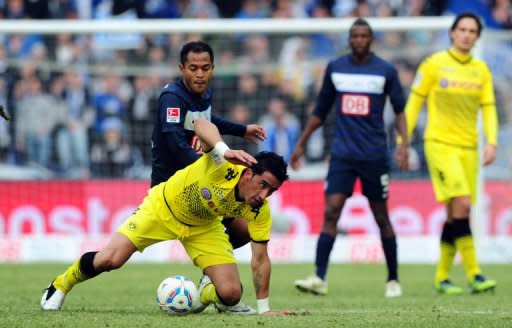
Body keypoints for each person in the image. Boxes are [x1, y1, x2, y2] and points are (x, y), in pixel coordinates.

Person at [41, 117, 291, 316]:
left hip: (203, 227)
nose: (264, 194)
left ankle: (204, 293)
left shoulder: (259, 209)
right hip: (162, 209)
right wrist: (224, 150)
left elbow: (260, 260)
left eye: (272, 190)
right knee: (110, 260)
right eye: (263, 184)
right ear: (249, 173)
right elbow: (201, 124)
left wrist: (264, 309)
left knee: (231, 293)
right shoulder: (223, 164)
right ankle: (60, 284)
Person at [292, 18, 409, 298]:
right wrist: (300, 145)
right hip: (343, 154)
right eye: (354, 35)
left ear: (371, 40)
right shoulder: (336, 68)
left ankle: (393, 279)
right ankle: (319, 277)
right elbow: (320, 110)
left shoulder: (385, 71)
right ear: (349, 39)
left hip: (374, 155)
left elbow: (401, 110)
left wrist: (403, 144)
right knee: (331, 211)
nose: (358, 39)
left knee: (381, 216)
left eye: (363, 35)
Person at [403, 12, 498, 295]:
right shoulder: (434, 65)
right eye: (462, 29)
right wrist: (402, 140)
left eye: (472, 31)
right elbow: (414, 103)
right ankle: (475, 274)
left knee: (454, 212)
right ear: (452, 33)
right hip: (440, 144)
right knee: (464, 205)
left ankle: (442, 277)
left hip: (469, 147)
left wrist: (491, 142)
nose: (467, 34)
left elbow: (489, 108)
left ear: (477, 37)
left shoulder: (481, 70)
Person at [151, 41, 266, 254]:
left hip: (197, 185)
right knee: (113, 257)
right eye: (193, 68)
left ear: (212, 68)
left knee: (244, 230)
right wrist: (207, 170)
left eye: (205, 68)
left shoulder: (204, 93)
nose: (200, 74)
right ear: (181, 69)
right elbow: (174, 143)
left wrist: (242, 130)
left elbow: (208, 118)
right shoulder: (172, 98)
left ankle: (211, 269)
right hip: (168, 188)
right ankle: (69, 281)